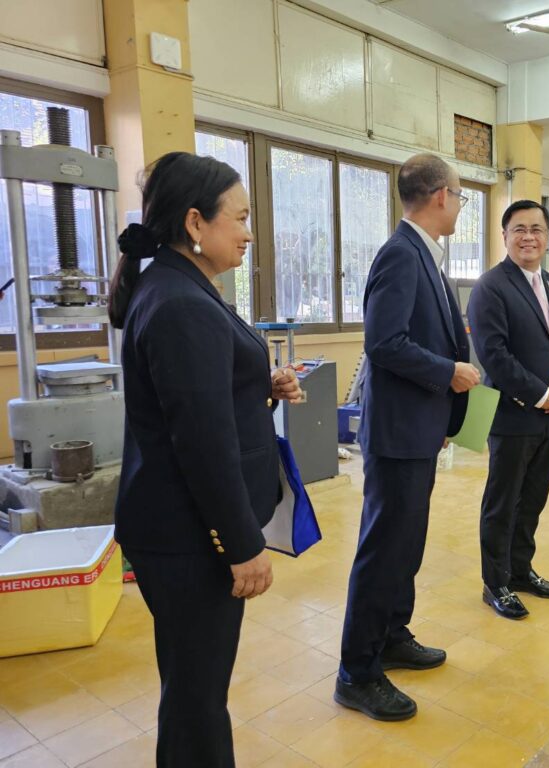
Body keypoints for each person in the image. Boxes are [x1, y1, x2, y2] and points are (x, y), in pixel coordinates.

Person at [110, 152, 302, 768]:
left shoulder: (182, 286)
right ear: (196, 223)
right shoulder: (181, 303)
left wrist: (259, 382)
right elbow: (201, 441)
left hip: (181, 528)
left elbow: (200, 394)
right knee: (197, 693)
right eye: (241, 218)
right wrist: (241, 544)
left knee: (195, 684)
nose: (249, 233)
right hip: (188, 535)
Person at [336, 153, 478, 722]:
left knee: (406, 545)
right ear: (441, 195)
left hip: (418, 429)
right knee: (384, 549)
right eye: (462, 195)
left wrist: (443, 414)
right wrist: (448, 373)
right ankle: (357, 671)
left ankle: (392, 635)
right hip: (396, 435)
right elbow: (384, 343)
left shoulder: (426, 254)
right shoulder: (400, 255)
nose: (461, 205)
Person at [467, 200, 549, 619]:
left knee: (533, 498)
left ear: (547, 236)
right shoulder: (491, 288)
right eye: (519, 229)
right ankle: (495, 581)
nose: (528, 237)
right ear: (504, 236)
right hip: (514, 416)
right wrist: (540, 395)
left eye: (536, 229)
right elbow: (494, 356)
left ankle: (520, 569)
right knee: (504, 501)